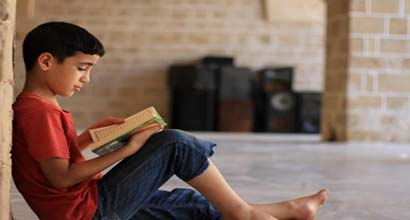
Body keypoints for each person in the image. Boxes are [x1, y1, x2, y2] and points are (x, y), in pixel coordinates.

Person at [12, 21, 329, 220]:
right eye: (82, 68)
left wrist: (90, 139)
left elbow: (52, 163)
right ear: (46, 62)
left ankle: (288, 211)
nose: (87, 79)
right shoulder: (40, 110)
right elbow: (61, 178)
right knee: (174, 143)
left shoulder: (36, 106)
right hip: (88, 211)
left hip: (84, 206)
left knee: (188, 203)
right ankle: (245, 214)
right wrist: (127, 149)